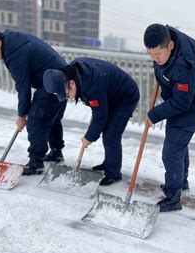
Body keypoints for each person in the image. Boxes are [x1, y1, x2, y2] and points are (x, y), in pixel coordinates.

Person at [0, 24, 67, 175]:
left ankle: (36, 162)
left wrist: (22, 115)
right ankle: (56, 152)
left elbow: (23, 87)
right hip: (61, 77)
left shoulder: (14, 53)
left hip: (53, 81)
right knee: (50, 116)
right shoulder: (12, 41)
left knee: (36, 119)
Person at [143, 24, 195, 213]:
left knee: (171, 151)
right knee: (177, 142)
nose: (155, 60)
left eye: (158, 55)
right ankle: (181, 182)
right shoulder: (165, 38)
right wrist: (159, 67)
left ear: (171, 46)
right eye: (151, 55)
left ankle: (173, 198)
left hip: (192, 104)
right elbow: (163, 65)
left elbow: (182, 103)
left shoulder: (184, 67)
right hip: (178, 97)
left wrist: (154, 114)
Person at [43, 58, 140, 186]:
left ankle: (113, 174)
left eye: (66, 94)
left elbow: (101, 117)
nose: (68, 98)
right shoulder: (74, 73)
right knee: (107, 131)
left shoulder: (92, 84)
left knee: (111, 135)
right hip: (108, 94)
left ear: (71, 84)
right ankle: (109, 162)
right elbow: (98, 107)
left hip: (125, 97)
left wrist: (89, 137)